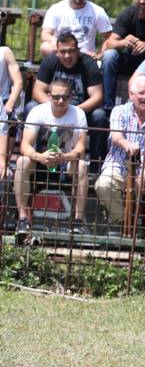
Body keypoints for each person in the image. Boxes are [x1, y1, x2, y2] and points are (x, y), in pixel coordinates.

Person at [95, 76, 145, 234]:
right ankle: (122, 222)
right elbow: (116, 136)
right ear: (131, 95)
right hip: (118, 165)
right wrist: (127, 145)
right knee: (102, 184)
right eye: (141, 93)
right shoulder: (119, 111)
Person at [14, 79, 88, 234]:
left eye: (64, 97)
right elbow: (25, 145)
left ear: (71, 97)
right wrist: (40, 156)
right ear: (49, 96)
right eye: (56, 97)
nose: (60, 100)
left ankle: (78, 221)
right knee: (21, 162)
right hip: (40, 160)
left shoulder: (78, 114)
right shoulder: (38, 111)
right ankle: (22, 219)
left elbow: (80, 147)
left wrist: (65, 156)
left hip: (64, 163)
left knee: (81, 166)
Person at [29, 32, 107, 164]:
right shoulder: (50, 62)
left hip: (80, 112)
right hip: (53, 107)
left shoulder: (88, 64)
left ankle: (95, 167)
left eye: (71, 51)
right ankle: (37, 159)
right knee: (30, 107)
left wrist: (72, 111)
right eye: (63, 52)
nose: (67, 56)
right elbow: (37, 91)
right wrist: (56, 107)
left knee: (99, 116)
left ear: (77, 51)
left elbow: (97, 97)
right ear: (57, 52)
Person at [40, 0, 112, 58]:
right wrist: (57, 42)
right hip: (62, 53)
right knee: (45, 47)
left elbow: (109, 37)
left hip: (85, 55)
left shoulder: (97, 11)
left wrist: (100, 54)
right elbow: (45, 34)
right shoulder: (56, 9)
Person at [0, 46, 24, 178]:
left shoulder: (4, 52)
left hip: (3, 102)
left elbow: (18, 81)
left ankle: (5, 162)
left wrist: (9, 104)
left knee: (11, 122)